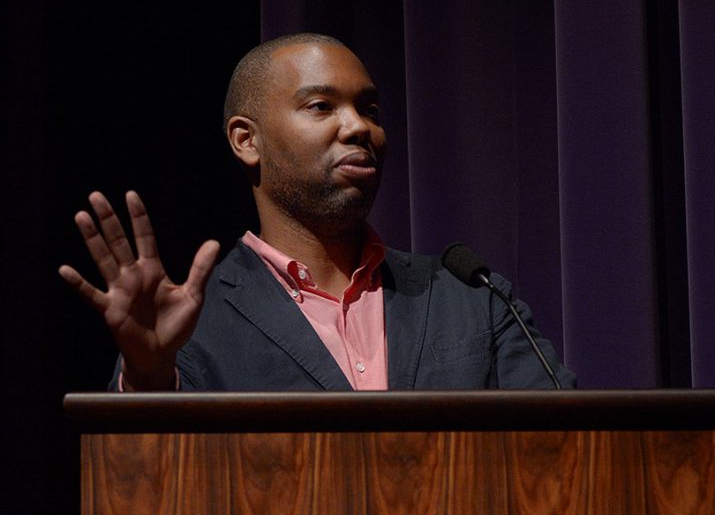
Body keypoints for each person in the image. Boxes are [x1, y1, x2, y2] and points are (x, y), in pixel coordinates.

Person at [59, 33, 575, 392]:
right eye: (321, 107)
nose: (358, 129)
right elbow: (147, 484)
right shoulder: (192, 326)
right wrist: (148, 375)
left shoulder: (471, 298)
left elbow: (573, 452)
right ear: (246, 140)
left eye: (369, 109)